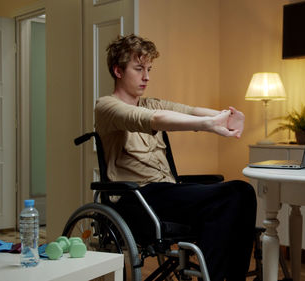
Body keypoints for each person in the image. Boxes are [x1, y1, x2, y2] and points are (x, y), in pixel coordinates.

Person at [94, 34, 257, 281]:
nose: (146, 76)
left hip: (166, 192)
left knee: (243, 193)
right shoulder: (106, 106)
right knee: (233, 195)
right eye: (138, 69)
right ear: (118, 70)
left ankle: (228, 276)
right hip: (137, 197)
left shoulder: (151, 103)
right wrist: (208, 124)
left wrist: (227, 116)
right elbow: (152, 120)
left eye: (148, 69)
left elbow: (188, 111)